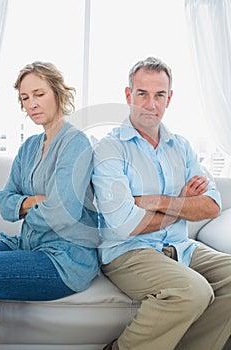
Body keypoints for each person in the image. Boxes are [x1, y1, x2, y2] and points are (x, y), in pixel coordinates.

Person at [92, 56, 231, 350]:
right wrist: (182, 205)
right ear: (128, 95)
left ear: (170, 98)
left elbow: (211, 206)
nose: (150, 104)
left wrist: (156, 202)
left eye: (159, 95)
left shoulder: (180, 147)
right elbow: (126, 224)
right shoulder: (109, 149)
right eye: (142, 93)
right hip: (127, 252)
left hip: (182, 248)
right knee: (192, 290)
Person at [0, 61, 99, 349]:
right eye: (25, 98)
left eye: (38, 94)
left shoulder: (76, 143)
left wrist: (24, 207)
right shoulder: (28, 147)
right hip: (28, 244)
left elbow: (63, 213)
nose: (31, 104)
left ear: (57, 93)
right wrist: (35, 201)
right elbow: (3, 202)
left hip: (65, 257)